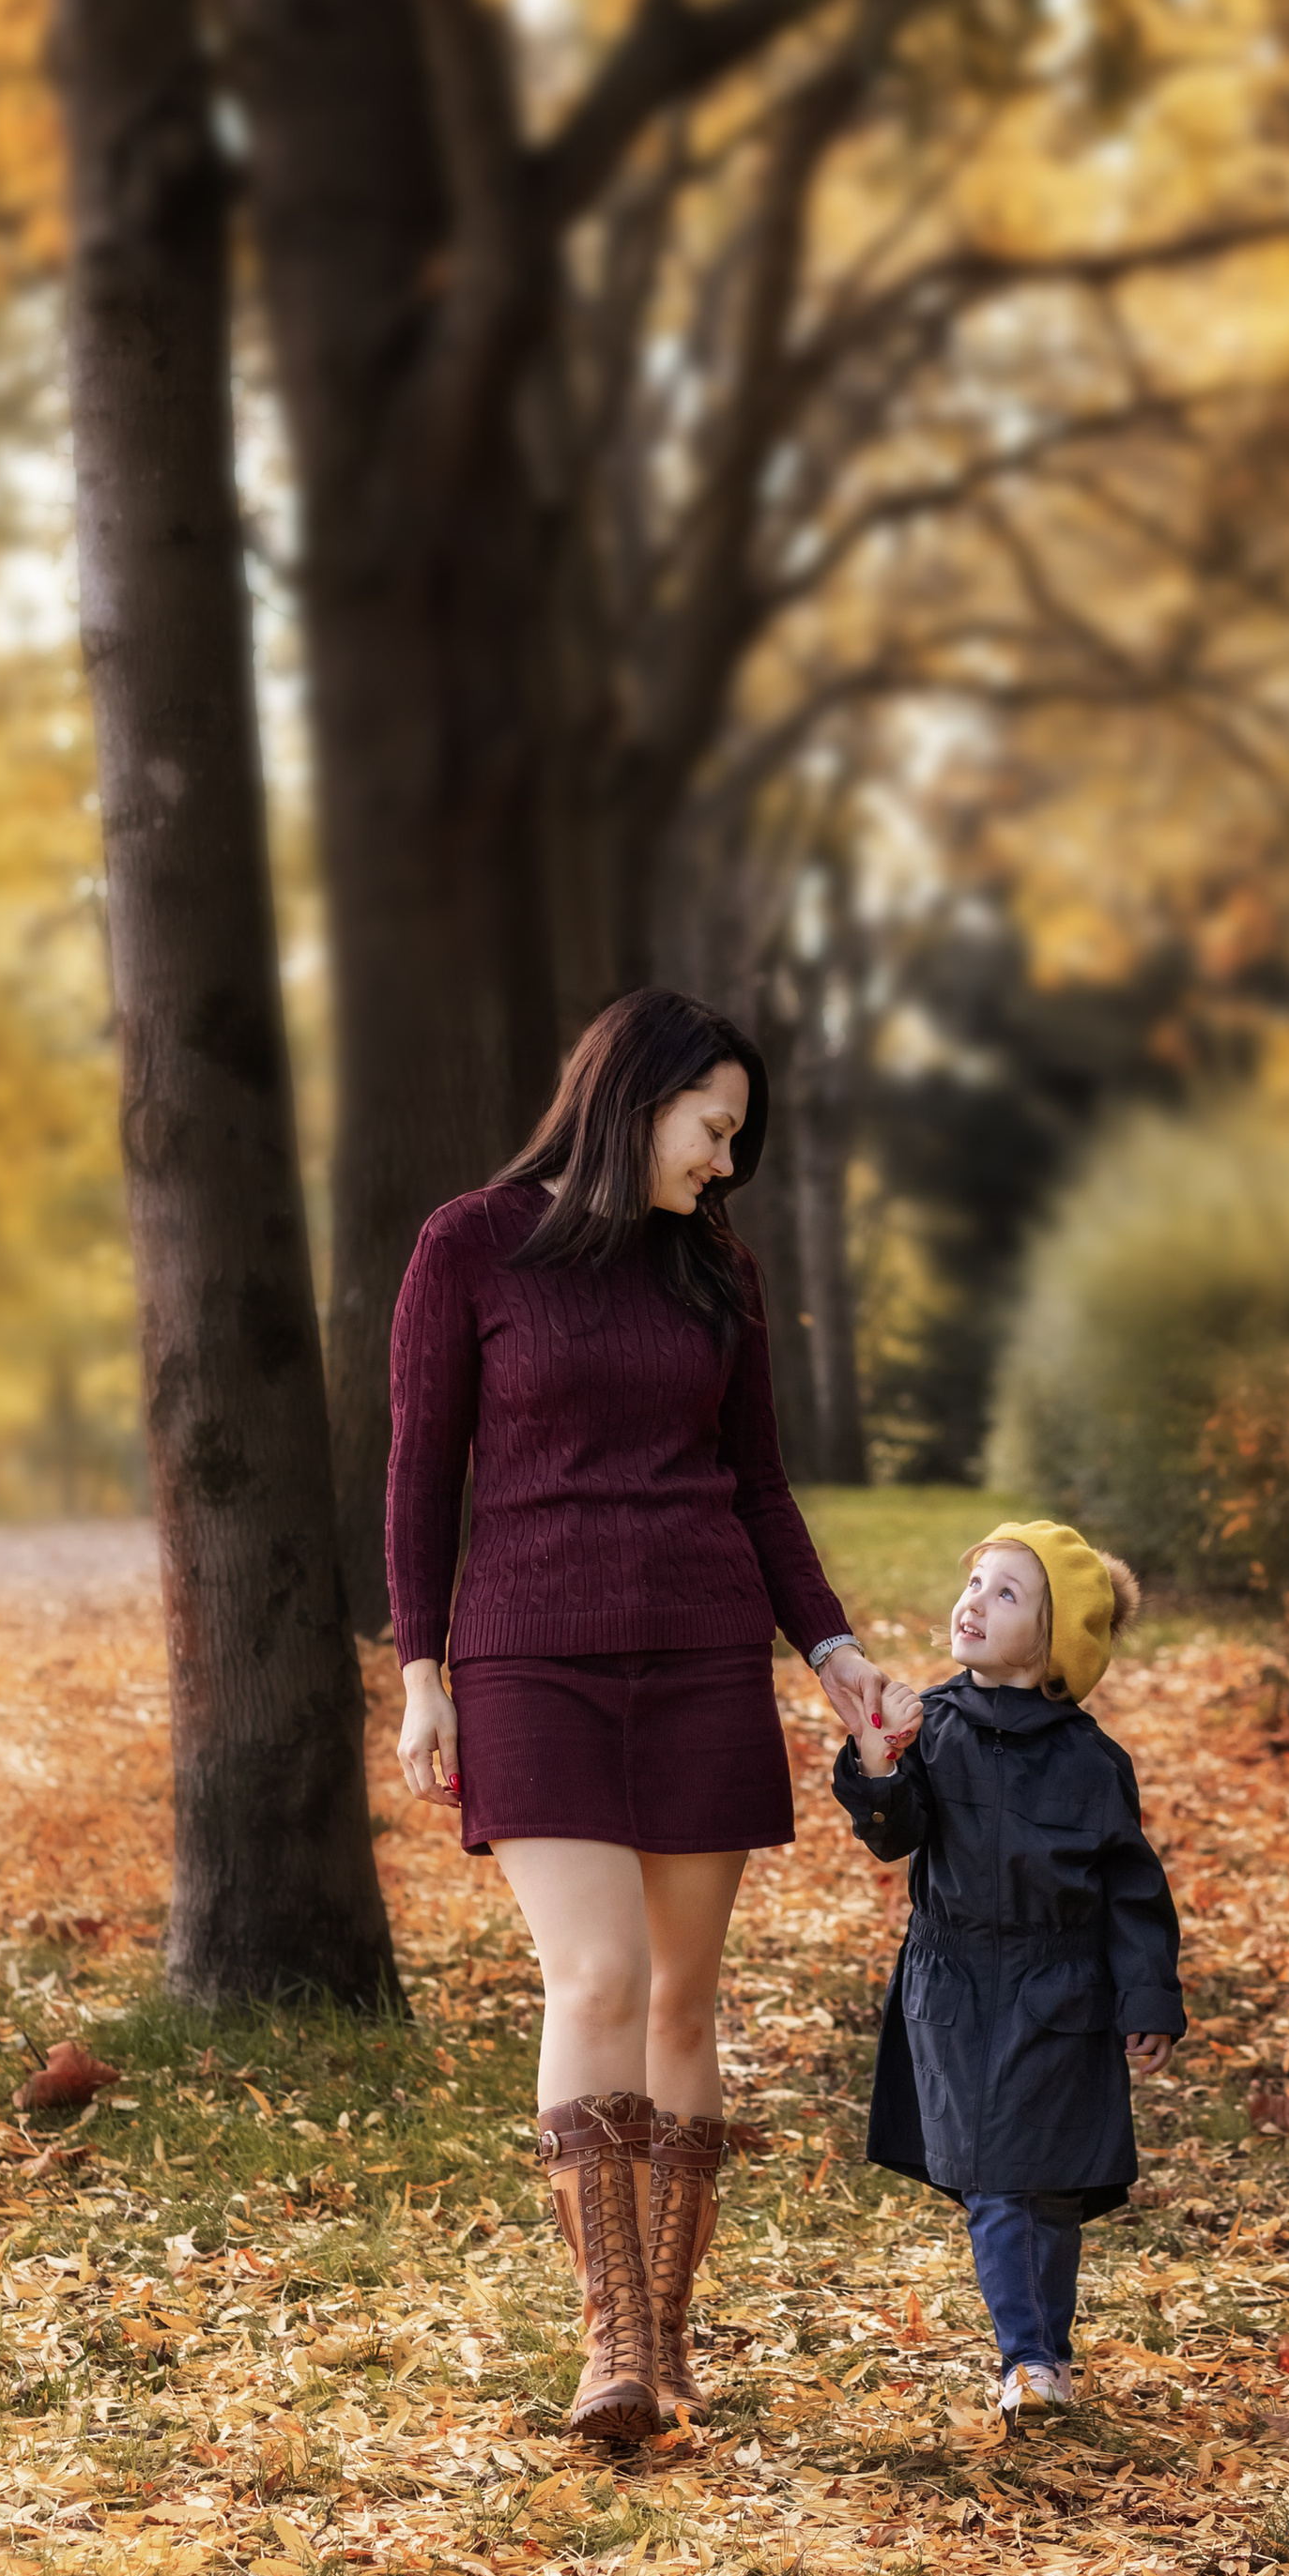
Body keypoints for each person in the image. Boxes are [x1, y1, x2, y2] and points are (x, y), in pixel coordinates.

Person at [387, 987, 904, 2445]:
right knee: (599, 1977)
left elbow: (760, 1487)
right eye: (713, 1127)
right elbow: (421, 1468)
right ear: (639, 1097)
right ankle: (611, 2337)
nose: (724, 1161)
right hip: (529, 1653)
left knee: (684, 1997)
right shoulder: (472, 1242)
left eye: (738, 1138)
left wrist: (837, 1652)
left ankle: (667, 2348)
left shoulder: (715, 1276)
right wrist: (420, 1669)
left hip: (700, 1654)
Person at [833, 1523, 1184, 2419]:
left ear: (1055, 1642)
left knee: (1046, 2182)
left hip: (1059, 1990)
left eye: (1006, 1593)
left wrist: (1146, 1997)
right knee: (997, 2181)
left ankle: (1040, 2353)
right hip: (953, 1988)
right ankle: (1031, 2358)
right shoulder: (935, 1729)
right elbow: (894, 1835)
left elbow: (1131, 1891)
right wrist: (878, 1761)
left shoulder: (1093, 1763)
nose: (975, 1602)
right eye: (976, 1582)